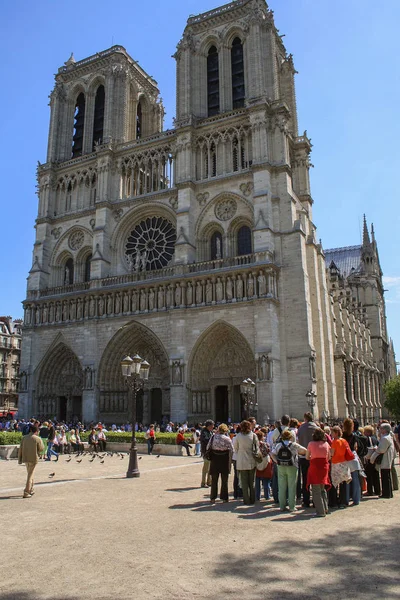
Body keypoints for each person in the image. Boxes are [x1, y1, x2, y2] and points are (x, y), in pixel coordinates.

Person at [271, 429, 306, 512]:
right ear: (290, 437)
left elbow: (272, 454)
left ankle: (282, 506)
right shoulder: (294, 445)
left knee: (282, 486)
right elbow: (305, 450)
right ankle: (292, 506)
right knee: (292, 486)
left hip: (281, 466)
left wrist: (277, 461)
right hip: (292, 466)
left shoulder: (279, 445)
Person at [306, 428, 332, 517]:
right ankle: (325, 507)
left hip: (315, 467)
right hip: (324, 466)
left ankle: (320, 511)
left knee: (316, 490)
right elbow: (329, 457)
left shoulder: (311, 444)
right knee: (322, 488)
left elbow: (307, 457)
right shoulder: (326, 444)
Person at [233, 420, 259, 505]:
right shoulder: (253, 435)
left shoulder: (238, 436)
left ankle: (246, 500)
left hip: (241, 461)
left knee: (244, 483)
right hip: (251, 460)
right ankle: (252, 499)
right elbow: (257, 447)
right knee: (252, 482)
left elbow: (235, 448)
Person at [206, 424, 233, 504]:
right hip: (224, 460)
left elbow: (208, 447)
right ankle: (224, 498)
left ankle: (213, 498)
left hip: (215, 460)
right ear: (225, 430)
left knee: (214, 480)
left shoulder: (213, 437)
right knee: (224, 480)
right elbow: (232, 450)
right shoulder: (227, 438)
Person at [297, 412, 318, 507]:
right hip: (314, 456)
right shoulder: (316, 427)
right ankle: (315, 500)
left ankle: (306, 501)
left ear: (305, 418)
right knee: (315, 479)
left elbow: (298, 440)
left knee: (305, 479)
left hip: (303, 456)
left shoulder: (301, 428)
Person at [370, 422, 396, 499]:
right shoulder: (388, 437)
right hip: (387, 458)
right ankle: (388, 493)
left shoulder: (385, 438)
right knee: (386, 476)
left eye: (381, 428)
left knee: (385, 477)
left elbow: (381, 449)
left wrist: (376, 449)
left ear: (384, 430)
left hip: (385, 459)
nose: (380, 430)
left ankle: (386, 493)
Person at [330, 426, 353, 509]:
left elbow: (332, 453)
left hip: (336, 463)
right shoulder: (344, 441)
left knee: (335, 483)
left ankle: (334, 501)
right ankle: (343, 501)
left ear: (336, 433)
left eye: (332, 432)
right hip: (344, 462)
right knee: (343, 483)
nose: (331, 434)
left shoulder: (335, 442)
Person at [18, 425, 44, 498]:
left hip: (25, 458)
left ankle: (31, 489)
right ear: (36, 431)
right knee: (30, 475)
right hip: (33, 458)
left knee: (30, 473)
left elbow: (20, 448)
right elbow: (42, 448)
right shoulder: (37, 438)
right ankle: (26, 491)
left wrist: (20, 458)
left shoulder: (24, 438)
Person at [342, 418, 361, 506]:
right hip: (353, 458)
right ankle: (356, 499)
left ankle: (346, 499)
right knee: (356, 480)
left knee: (347, 480)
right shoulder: (354, 435)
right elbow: (356, 447)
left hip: (345, 459)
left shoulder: (342, 436)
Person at [363, 425, 381, 496]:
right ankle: (378, 490)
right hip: (375, 458)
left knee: (369, 475)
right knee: (375, 474)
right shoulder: (375, 438)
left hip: (369, 459)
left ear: (367, 432)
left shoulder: (366, 439)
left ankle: (370, 491)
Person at [255, 430, 272, 501]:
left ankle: (257, 496)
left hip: (257, 463)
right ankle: (267, 495)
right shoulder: (266, 444)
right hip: (265, 462)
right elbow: (269, 451)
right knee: (266, 480)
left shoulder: (254, 445)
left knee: (257, 481)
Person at [200, 420, 214, 487]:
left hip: (211, 451)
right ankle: (203, 482)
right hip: (206, 452)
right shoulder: (204, 432)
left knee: (210, 467)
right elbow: (206, 440)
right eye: (212, 426)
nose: (213, 427)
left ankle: (209, 481)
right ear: (208, 426)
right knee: (206, 467)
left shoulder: (210, 431)